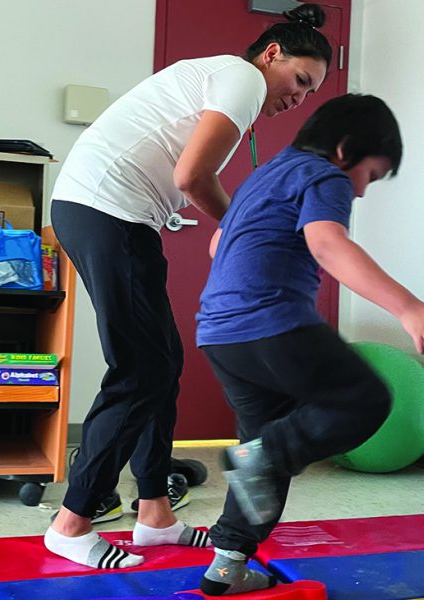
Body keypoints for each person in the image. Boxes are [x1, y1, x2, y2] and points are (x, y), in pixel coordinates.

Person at [45, 4, 333, 569]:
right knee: (141, 370)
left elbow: (183, 175)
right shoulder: (243, 76)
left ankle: (154, 514)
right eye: (300, 80)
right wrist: (235, 233)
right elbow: (192, 176)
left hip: (117, 214)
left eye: (311, 92)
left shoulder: (223, 78)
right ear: (272, 54)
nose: (299, 98)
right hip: (107, 209)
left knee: (164, 362)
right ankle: (71, 522)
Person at [194, 93, 424, 595]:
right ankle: (263, 456)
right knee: (365, 398)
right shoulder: (326, 175)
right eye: (371, 176)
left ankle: (226, 566)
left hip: (220, 335)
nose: (360, 192)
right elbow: (327, 243)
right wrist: (409, 308)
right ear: (345, 149)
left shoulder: (265, 176)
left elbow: (215, 244)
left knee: (263, 446)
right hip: (271, 322)